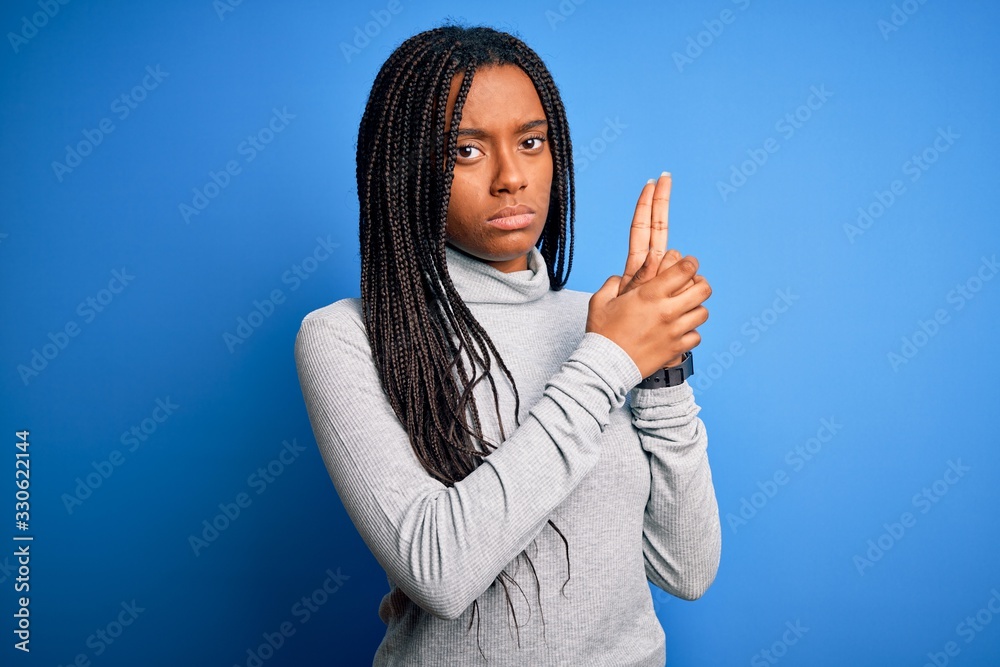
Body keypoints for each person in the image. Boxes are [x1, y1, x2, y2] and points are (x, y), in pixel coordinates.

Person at [294, 24, 721, 666]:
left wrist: (660, 373)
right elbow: (438, 572)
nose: (510, 178)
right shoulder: (346, 336)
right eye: (465, 151)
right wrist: (608, 362)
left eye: (530, 142)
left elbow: (685, 570)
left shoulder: (599, 323)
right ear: (405, 169)